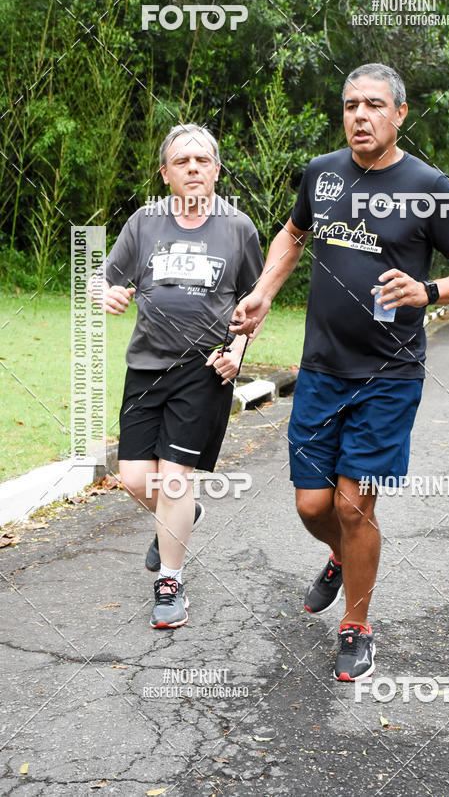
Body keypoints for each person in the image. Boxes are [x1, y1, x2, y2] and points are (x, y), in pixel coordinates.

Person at [232, 63, 449, 681]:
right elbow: (293, 236)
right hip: (321, 368)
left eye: (374, 105)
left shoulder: (428, 185)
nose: (360, 116)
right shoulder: (321, 175)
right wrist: (266, 291)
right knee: (312, 503)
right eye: (351, 105)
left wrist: (428, 290)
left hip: (390, 374)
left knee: (353, 507)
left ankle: (357, 626)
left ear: (399, 114)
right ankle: (341, 557)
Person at [89, 124, 263, 628]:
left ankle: (170, 582)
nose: (193, 168)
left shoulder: (238, 229)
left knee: (173, 480)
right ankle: (184, 517)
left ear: (216, 169)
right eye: (182, 161)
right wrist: (106, 294)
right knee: (133, 478)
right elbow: (100, 278)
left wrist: (238, 350)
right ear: (165, 174)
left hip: (203, 368)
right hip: (145, 365)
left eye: (202, 160)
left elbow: (254, 304)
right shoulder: (144, 223)